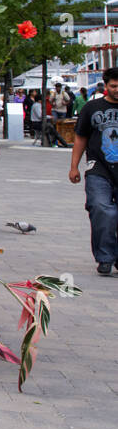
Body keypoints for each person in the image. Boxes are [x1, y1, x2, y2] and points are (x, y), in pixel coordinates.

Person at [70, 67, 118, 275]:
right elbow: (81, 137)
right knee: (101, 209)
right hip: (98, 168)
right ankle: (105, 257)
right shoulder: (92, 107)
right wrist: (74, 167)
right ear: (105, 86)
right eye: (114, 86)